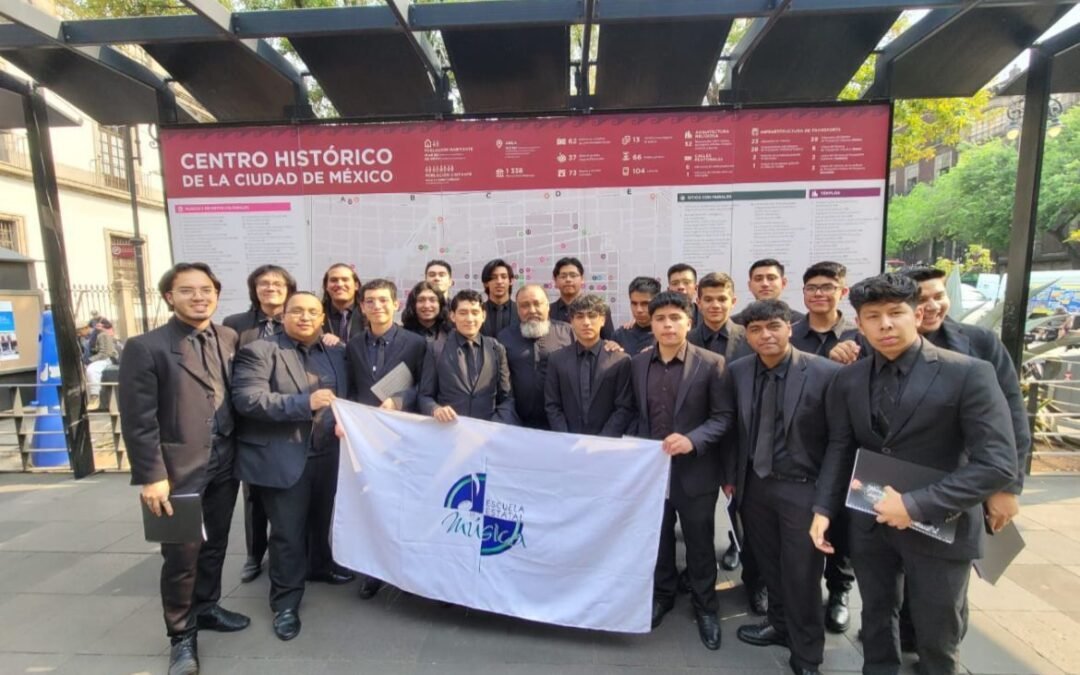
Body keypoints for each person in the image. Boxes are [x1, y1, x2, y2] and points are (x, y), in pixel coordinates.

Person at [810, 273, 1016, 675]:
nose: (885, 324)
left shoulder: (969, 373)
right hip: (870, 521)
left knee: (938, 633)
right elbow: (840, 446)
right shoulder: (849, 379)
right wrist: (823, 509)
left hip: (941, 525)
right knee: (876, 619)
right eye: (873, 316)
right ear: (860, 323)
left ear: (917, 314)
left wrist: (915, 505)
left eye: (895, 313)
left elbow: (997, 463)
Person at [119, 262, 250, 675]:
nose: (199, 297)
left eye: (207, 289)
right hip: (175, 473)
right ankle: (181, 636)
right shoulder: (147, 347)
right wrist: (151, 475)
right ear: (169, 297)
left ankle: (208, 607)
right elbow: (138, 420)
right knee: (180, 556)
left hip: (225, 464)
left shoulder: (227, 337)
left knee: (215, 545)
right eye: (188, 290)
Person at [724, 300, 840, 675]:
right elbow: (733, 431)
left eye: (773, 326)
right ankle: (778, 624)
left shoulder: (824, 373)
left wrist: (826, 500)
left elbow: (840, 440)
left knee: (802, 574)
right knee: (768, 563)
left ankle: (807, 655)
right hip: (754, 486)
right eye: (755, 329)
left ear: (790, 327)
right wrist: (731, 480)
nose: (765, 335)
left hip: (803, 489)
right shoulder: (739, 371)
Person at [232, 291, 354, 643]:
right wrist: (305, 403)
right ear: (283, 315)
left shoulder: (336, 352)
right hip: (282, 456)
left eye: (313, 312)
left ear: (322, 318)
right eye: (297, 311)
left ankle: (319, 567)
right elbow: (247, 399)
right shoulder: (260, 350)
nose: (305, 317)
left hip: (327, 454)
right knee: (287, 534)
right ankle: (285, 603)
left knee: (321, 520)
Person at [631, 291, 733, 651]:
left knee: (701, 544)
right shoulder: (638, 363)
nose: (668, 325)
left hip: (695, 472)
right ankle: (662, 595)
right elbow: (633, 414)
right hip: (652, 474)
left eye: (675, 318)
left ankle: (706, 607)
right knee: (656, 539)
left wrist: (693, 439)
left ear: (690, 322)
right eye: (660, 319)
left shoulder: (712, 364)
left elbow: (724, 418)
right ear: (652, 325)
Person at [346, 278, 428, 601]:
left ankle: (407, 570)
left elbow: (426, 386)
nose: (377, 306)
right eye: (370, 301)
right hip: (365, 436)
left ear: (396, 305)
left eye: (383, 300)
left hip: (403, 433)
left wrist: (400, 398)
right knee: (371, 504)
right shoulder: (353, 345)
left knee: (404, 503)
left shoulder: (416, 343)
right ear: (362, 306)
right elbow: (350, 388)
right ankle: (373, 572)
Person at [788, 261, 858, 633]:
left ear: (842, 291)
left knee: (841, 522)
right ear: (802, 293)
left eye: (827, 286)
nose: (819, 293)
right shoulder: (790, 335)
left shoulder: (860, 335)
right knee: (803, 526)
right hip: (799, 444)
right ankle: (802, 596)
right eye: (812, 287)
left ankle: (840, 590)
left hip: (846, 443)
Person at [685, 271, 760, 612]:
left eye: (722, 298)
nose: (715, 305)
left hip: (743, 441)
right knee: (695, 520)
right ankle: (694, 573)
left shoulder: (750, 338)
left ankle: (757, 584)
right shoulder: (686, 336)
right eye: (708, 299)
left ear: (734, 300)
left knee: (745, 517)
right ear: (697, 302)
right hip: (695, 443)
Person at [223, 264, 297, 585]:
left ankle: (296, 552)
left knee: (289, 496)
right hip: (252, 421)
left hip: (291, 421)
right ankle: (255, 554)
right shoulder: (234, 326)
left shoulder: (298, 321)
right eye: (263, 284)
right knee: (253, 495)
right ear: (254, 289)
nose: (270, 288)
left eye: (277, 283)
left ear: (288, 289)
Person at [419, 289, 518, 424]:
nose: (470, 319)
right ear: (452, 316)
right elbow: (425, 396)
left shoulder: (496, 348)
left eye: (475, 312)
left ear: (483, 316)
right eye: (463, 313)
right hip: (448, 430)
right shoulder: (436, 348)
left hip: (487, 433)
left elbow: (507, 398)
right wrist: (435, 409)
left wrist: (497, 423)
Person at [544, 294, 635, 436]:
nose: (586, 322)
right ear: (571, 321)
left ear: (603, 320)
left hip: (606, 445)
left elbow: (624, 407)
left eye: (592, 316)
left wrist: (602, 440)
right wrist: (564, 437)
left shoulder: (620, 360)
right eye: (579, 317)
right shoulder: (557, 359)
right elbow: (552, 405)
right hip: (566, 442)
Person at [497, 284, 573, 430]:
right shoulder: (504, 337)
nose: (532, 310)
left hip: (561, 424)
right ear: (518, 310)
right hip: (517, 424)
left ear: (548, 306)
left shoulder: (568, 333)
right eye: (525, 306)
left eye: (537, 304)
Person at [548, 256, 615, 340]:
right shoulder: (547, 311)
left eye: (573, 275)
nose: (568, 279)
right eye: (563, 276)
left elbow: (609, 341)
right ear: (555, 280)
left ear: (582, 279)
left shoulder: (600, 309)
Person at [731, 259, 805, 326]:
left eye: (771, 278)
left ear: (783, 283)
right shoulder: (734, 324)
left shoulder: (801, 322)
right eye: (758, 279)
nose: (765, 284)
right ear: (750, 285)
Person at [321, 263, 365, 345]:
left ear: (356, 285)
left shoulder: (367, 312)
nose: (340, 284)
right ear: (326, 286)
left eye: (345, 280)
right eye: (334, 280)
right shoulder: (317, 313)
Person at [615, 276, 660, 354]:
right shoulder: (619, 335)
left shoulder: (666, 335)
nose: (639, 310)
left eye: (645, 304)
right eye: (634, 303)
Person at [402, 280, 451, 345]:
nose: (427, 305)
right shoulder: (401, 336)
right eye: (421, 300)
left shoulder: (451, 335)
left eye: (432, 300)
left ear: (440, 304)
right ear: (413, 304)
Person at [480, 258, 518, 338]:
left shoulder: (520, 311)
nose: (499, 281)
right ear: (486, 283)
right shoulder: (478, 311)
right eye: (494, 277)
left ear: (511, 281)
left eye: (504, 277)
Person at [86, 318, 119, 408]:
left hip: (107, 359)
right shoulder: (94, 336)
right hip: (100, 358)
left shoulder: (103, 335)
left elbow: (105, 353)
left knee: (92, 370)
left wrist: (90, 360)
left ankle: (95, 396)